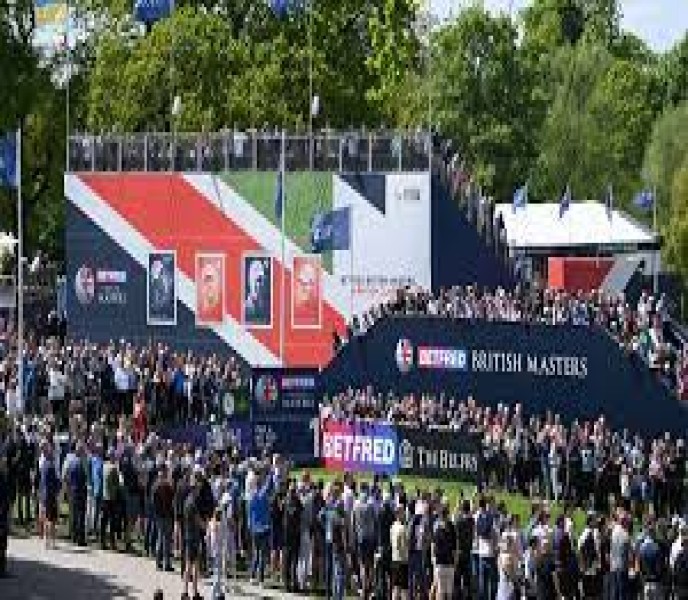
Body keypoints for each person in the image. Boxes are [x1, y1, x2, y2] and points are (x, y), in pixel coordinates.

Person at [182, 472, 203, 600]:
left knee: (191, 565)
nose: (199, 491)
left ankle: (191, 592)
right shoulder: (192, 503)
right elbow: (197, 520)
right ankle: (189, 593)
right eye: (198, 488)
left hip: (189, 535)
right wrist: (206, 525)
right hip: (193, 537)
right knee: (192, 565)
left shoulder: (187, 501)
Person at [152, 462, 174, 572]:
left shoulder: (156, 485)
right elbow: (171, 500)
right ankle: (166, 563)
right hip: (165, 515)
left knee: (162, 538)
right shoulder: (164, 485)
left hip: (161, 515)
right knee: (165, 539)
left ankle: (159, 562)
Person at [432, 503, 456, 600]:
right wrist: (455, 562)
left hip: (440, 563)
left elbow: (433, 546)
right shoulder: (452, 527)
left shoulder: (437, 529)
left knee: (440, 591)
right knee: (449, 592)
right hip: (449, 563)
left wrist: (433, 560)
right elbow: (455, 547)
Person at [283, 478, 303, 593]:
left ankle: (293, 583)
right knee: (289, 560)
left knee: (293, 560)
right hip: (289, 534)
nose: (294, 490)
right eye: (292, 488)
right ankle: (288, 583)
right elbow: (293, 512)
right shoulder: (289, 500)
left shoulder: (293, 499)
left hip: (294, 533)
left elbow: (300, 510)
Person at [390, 504, 409, 600]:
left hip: (394, 559)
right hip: (402, 560)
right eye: (403, 512)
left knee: (396, 586)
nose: (404, 514)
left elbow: (392, 542)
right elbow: (404, 545)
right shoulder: (403, 528)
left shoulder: (393, 526)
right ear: (399, 514)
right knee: (404, 588)